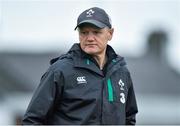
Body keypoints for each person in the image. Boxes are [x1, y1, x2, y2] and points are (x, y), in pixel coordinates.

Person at [22, 7, 138, 125]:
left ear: (110, 33)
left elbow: (129, 118)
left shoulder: (121, 72)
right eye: (84, 32)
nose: (90, 38)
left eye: (96, 32)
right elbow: (32, 120)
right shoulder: (60, 71)